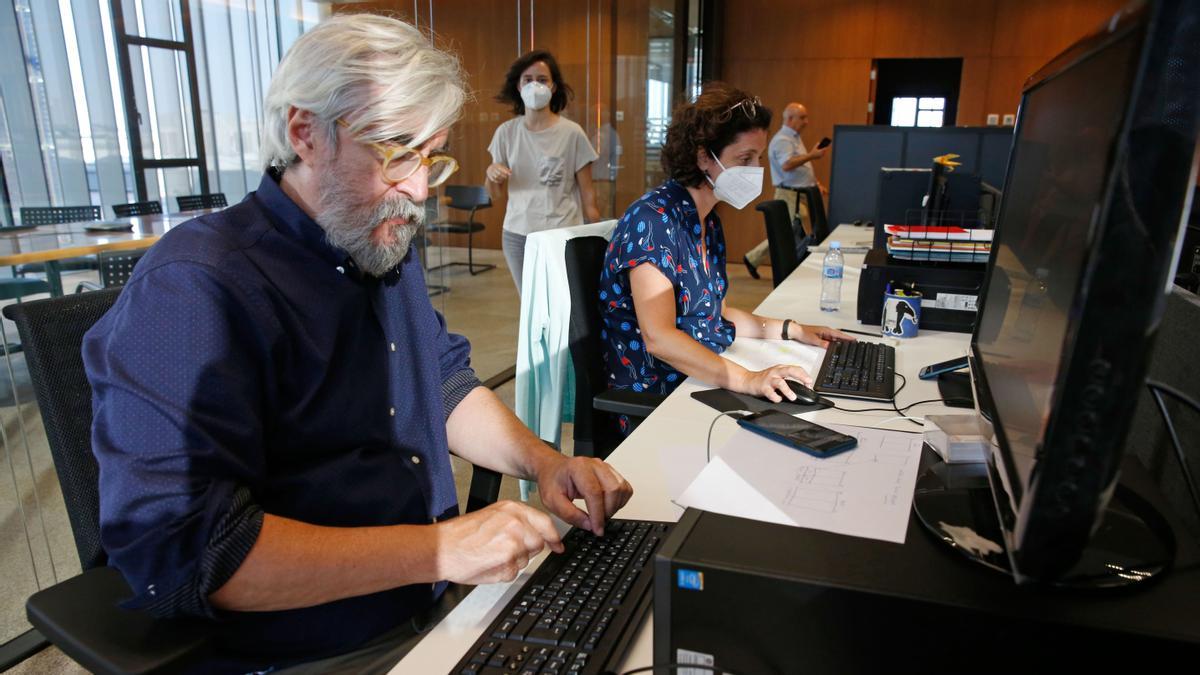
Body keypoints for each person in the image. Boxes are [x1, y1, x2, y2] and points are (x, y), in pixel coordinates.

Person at [82, 15, 632, 674]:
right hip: (308, 645)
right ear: (305, 132)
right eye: (397, 152)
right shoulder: (196, 289)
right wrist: (435, 550)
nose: (421, 188)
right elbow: (194, 551)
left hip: (428, 601)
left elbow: (443, 380)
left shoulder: (376, 241)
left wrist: (542, 461)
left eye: (430, 154)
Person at [598, 83, 853, 430]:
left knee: (809, 414)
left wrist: (792, 330)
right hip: (659, 392)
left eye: (758, 158)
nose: (755, 169)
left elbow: (714, 312)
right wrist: (748, 380)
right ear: (704, 156)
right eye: (744, 159)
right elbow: (659, 337)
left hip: (697, 374)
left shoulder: (706, 220)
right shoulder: (654, 221)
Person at [487, 50, 601, 294]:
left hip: (561, 234)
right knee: (530, 305)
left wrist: (596, 238)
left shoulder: (572, 133)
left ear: (553, 86)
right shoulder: (506, 133)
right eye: (528, 80)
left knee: (562, 305)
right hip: (518, 235)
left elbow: (588, 196)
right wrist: (491, 174)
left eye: (542, 79)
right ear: (518, 86)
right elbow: (494, 193)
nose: (535, 85)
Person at [743, 102, 829, 279]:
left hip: (799, 194)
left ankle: (753, 259)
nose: (806, 121)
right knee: (786, 233)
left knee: (788, 233)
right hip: (790, 195)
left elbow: (802, 167)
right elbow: (787, 164)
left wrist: (815, 183)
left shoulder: (794, 138)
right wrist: (812, 155)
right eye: (802, 117)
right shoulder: (783, 140)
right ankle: (753, 259)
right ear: (790, 118)